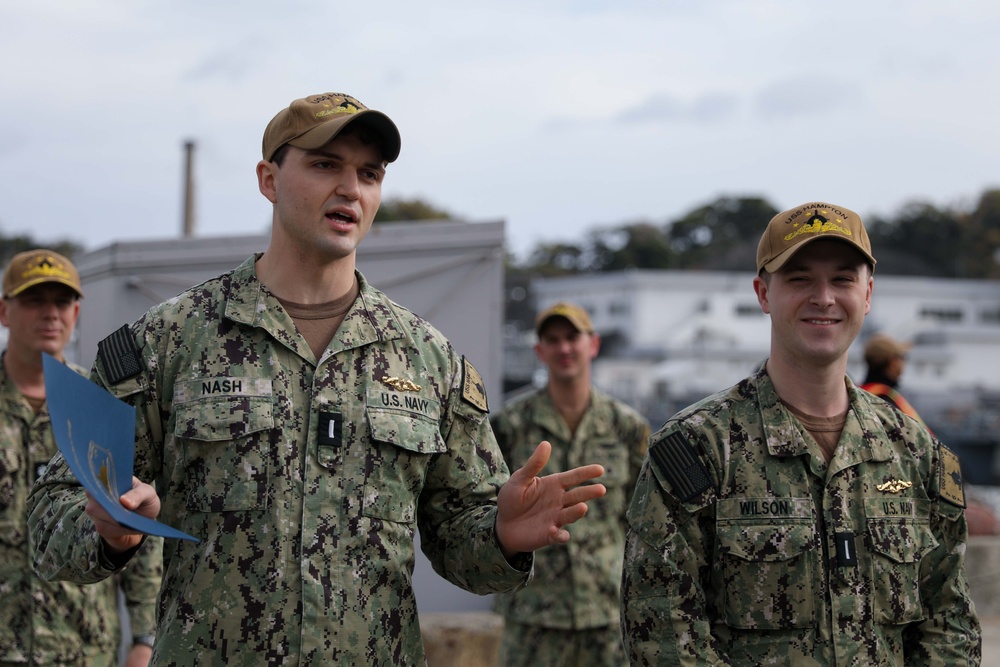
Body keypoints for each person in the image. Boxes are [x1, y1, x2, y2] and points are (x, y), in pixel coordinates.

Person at [26, 92, 606, 666]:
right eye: (326, 164)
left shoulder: (429, 361)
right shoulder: (166, 343)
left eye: (369, 173)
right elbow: (53, 516)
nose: (351, 188)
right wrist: (107, 530)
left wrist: (500, 534)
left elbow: (462, 542)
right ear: (269, 179)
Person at [621, 202, 981, 665]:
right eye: (799, 279)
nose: (824, 297)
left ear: (868, 294)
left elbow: (948, 621)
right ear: (763, 293)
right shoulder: (697, 450)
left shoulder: (916, 452)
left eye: (843, 279)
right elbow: (662, 633)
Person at [0, 249, 161, 667]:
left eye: (61, 302)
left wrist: (144, 637)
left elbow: (138, 523)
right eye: (35, 300)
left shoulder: (100, 403)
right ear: (4, 311)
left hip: (80, 648)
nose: (50, 313)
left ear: (76, 313)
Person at [491, 302, 650, 666]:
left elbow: (644, 521)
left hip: (608, 611)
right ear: (539, 350)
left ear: (592, 345)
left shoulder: (627, 427)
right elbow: (488, 513)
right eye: (553, 339)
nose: (564, 348)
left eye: (572, 338)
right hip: (532, 614)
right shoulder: (509, 425)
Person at [860, 332, 931, 430]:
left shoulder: (859, 394)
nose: (904, 363)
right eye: (903, 357)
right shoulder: (885, 399)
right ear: (893, 362)